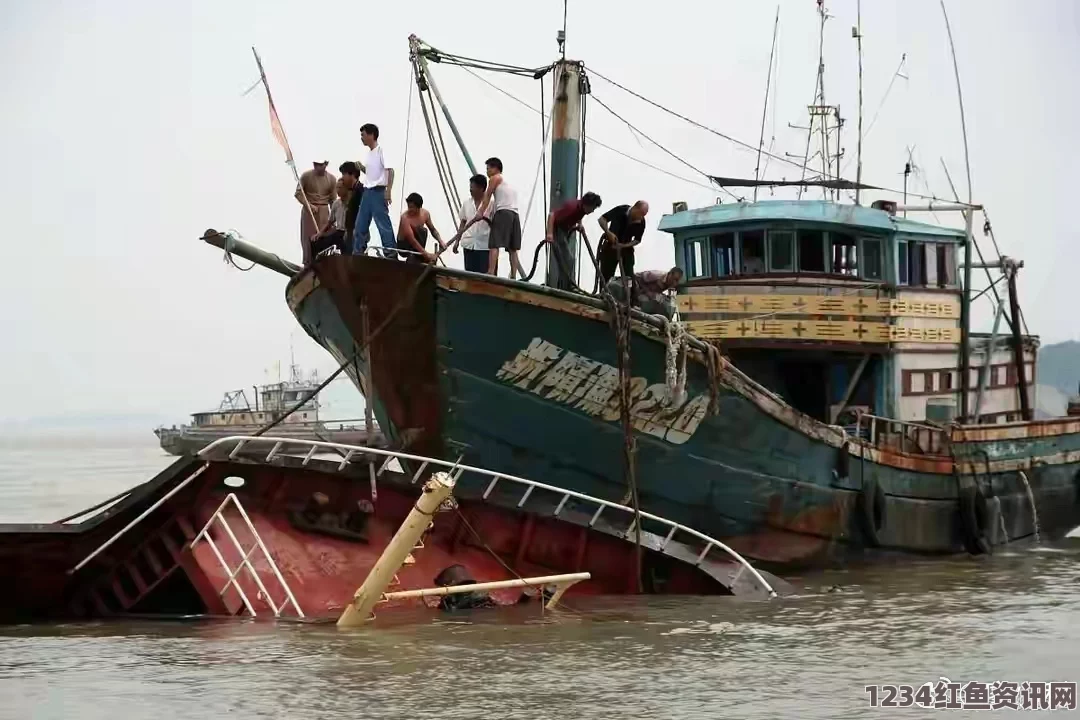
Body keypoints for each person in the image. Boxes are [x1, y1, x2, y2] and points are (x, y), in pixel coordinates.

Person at [454, 157, 525, 278]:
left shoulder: (495, 178)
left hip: (503, 212)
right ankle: (513, 274)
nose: (487, 172)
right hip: (514, 213)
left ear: (495, 168)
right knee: (513, 248)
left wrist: (480, 212)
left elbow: (487, 196)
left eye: (488, 169)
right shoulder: (508, 182)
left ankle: (491, 271)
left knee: (494, 244)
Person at [352, 123, 396, 257]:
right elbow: (374, 174)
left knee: (382, 224)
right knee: (360, 224)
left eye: (363, 135)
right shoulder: (369, 153)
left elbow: (390, 170)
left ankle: (390, 253)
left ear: (371, 135)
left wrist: (388, 190)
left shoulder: (381, 150)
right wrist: (362, 168)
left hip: (378, 192)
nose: (362, 138)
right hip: (368, 191)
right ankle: (358, 251)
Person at [545, 191, 602, 287]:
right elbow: (552, 215)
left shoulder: (582, 209)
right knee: (568, 260)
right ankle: (566, 286)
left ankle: (566, 284)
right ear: (587, 205)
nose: (592, 211)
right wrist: (550, 234)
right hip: (557, 229)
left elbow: (578, 215)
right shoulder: (572, 207)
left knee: (566, 260)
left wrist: (580, 224)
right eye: (593, 208)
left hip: (565, 229)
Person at [597, 200, 649, 284]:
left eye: (644, 215)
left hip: (626, 250)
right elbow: (602, 219)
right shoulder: (620, 210)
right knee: (606, 276)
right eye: (641, 214)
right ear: (635, 208)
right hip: (610, 247)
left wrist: (623, 246)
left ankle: (629, 295)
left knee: (629, 277)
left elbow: (637, 240)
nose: (641, 217)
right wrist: (608, 232)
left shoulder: (642, 221)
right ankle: (604, 295)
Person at [295, 160, 337, 264]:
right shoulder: (306, 176)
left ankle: (323, 261)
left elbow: (333, 200)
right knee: (308, 239)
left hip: (324, 211)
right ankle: (308, 262)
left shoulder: (331, 179)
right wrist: (308, 205)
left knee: (324, 235)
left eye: (320, 165)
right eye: (315, 164)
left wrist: (335, 217)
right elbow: (298, 194)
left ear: (326, 164)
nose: (317, 167)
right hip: (309, 211)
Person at [606, 267, 684, 318]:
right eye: (674, 279)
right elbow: (637, 278)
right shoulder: (656, 275)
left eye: (677, 281)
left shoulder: (669, 284)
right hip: (634, 285)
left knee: (657, 301)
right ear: (670, 274)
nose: (675, 282)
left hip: (644, 293)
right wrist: (647, 292)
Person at [452, 174, 493, 273]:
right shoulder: (466, 203)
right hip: (468, 244)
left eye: (472, 188)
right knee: (469, 274)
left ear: (481, 188)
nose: (470, 190)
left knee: (483, 276)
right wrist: (457, 241)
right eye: (470, 188)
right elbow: (463, 223)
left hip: (484, 246)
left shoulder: (492, 204)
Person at [397, 192, 445, 264]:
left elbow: (433, 229)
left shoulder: (425, 214)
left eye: (412, 207)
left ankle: (419, 255)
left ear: (419, 207)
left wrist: (440, 241)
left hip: (416, 241)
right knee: (418, 256)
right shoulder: (405, 218)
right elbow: (412, 241)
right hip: (404, 246)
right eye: (408, 207)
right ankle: (418, 256)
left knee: (423, 230)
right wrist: (427, 255)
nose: (410, 209)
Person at [310, 178, 351, 260]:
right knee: (315, 241)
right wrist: (320, 233)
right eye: (337, 188)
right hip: (338, 232)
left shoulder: (352, 203)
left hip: (349, 232)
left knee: (346, 243)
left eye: (340, 188)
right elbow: (330, 222)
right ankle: (316, 265)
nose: (338, 190)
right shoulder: (336, 203)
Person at [338, 161, 364, 249]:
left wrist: (355, 230)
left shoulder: (361, 190)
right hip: (350, 231)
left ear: (352, 175)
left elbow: (362, 213)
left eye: (344, 174)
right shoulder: (352, 190)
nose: (342, 178)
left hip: (356, 232)